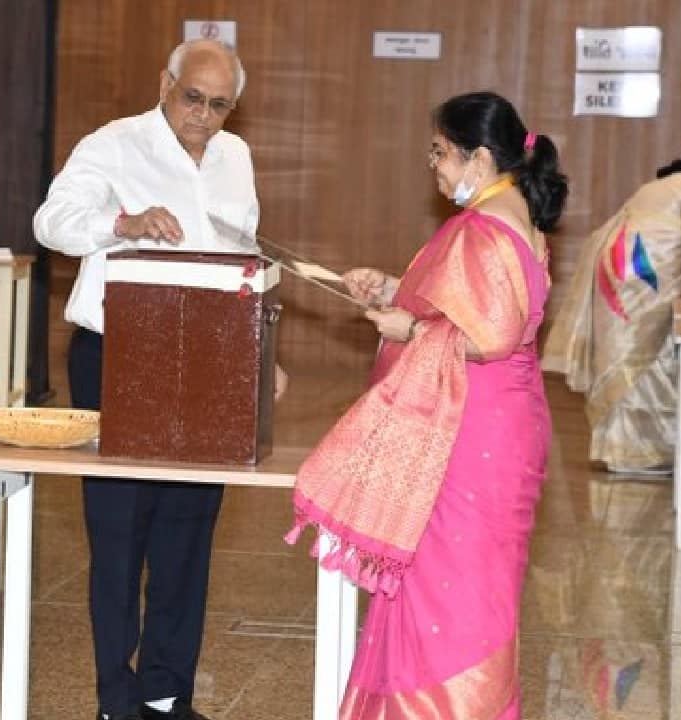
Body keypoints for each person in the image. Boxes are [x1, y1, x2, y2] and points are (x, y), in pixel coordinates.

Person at [286, 91, 567, 720]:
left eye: (440, 153)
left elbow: (491, 336)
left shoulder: (486, 228)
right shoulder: (515, 216)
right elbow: (471, 307)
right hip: (499, 419)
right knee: (466, 588)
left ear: (480, 157)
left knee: (450, 592)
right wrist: (394, 288)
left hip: (472, 430)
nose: (432, 166)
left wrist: (409, 330)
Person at [33, 40, 285, 720]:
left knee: (188, 532)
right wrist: (124, 223)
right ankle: (116, 701)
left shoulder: (236, 157)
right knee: (121, 532)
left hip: (208, 360)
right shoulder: (114, 144)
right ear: (165, 83)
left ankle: (167, 694)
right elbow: (50, 222)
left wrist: (260, 352)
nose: (202, 115)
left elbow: (244, 254)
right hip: (119, 353)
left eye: (219, 105)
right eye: (191, 97)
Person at [542, 151, 681, 474]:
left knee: (653, 356)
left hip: (626, 270)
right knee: (636, 360)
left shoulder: (673, 183)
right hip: (638, 275)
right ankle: (630, 455)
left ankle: (648, 450)